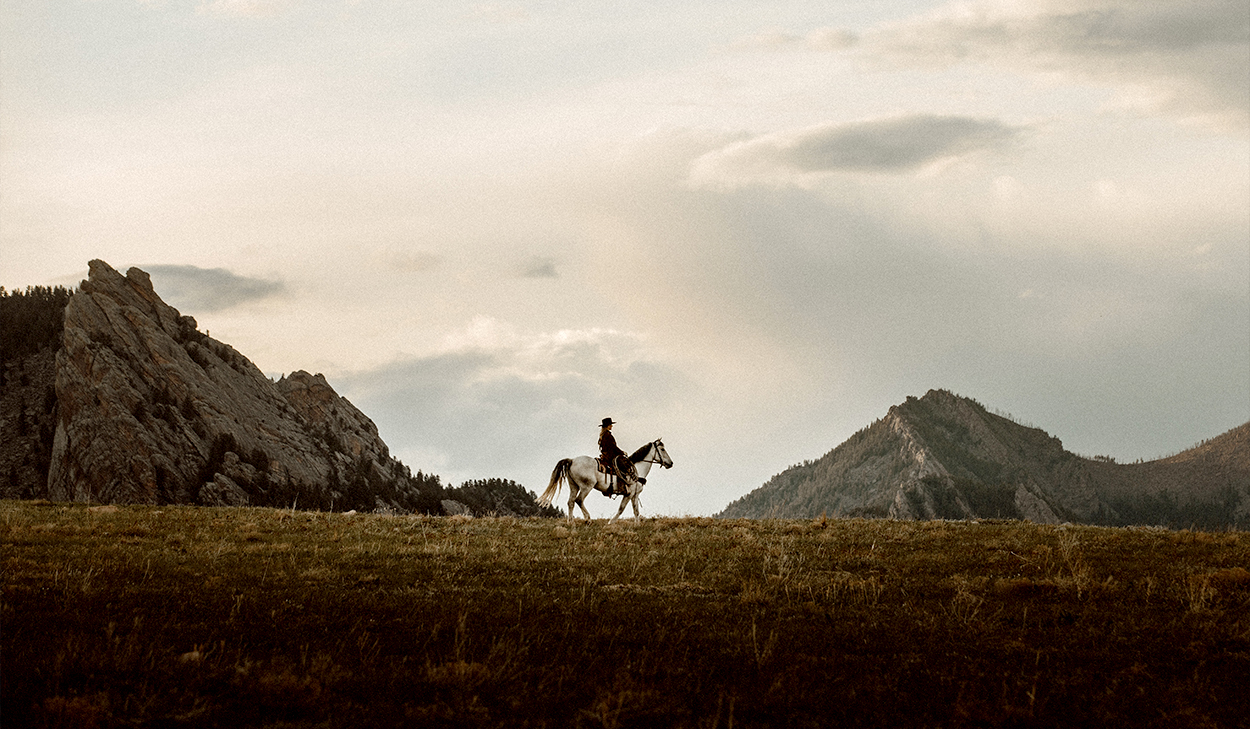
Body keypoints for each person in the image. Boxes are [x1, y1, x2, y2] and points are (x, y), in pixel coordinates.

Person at [598, 417, 637, 495]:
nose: (611, 426)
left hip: (606, 455)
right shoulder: (608, 435)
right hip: (610, 456)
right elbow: (613, 447)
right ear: (607, 426)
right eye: (610, 425)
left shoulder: (603, 435)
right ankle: (622, 487)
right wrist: (622, 452)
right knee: (623, 467)